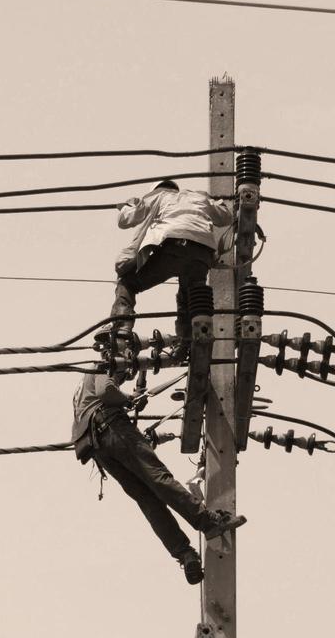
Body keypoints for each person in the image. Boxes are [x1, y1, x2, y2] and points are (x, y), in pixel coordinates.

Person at [71, 357, 246, 584]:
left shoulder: (82, 385)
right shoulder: (107, 357)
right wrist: (126, 398)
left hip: (96, 446)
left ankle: (185, 554)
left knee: (148, 500)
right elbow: (107, 392)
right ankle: (208, 522)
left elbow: (108, 395)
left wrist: (129, 397)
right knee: (158, 478)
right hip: (111, 425)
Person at [108, 180, 236, 354]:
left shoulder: (158, 195)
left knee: (127, 283)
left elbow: (125, 220)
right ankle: (187, 342)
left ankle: (122, 327)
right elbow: (226, 217)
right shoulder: (198, 196)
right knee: (189, 297)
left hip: (174, 246)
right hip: (202, 253)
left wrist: (130, 204)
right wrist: (220, 203)